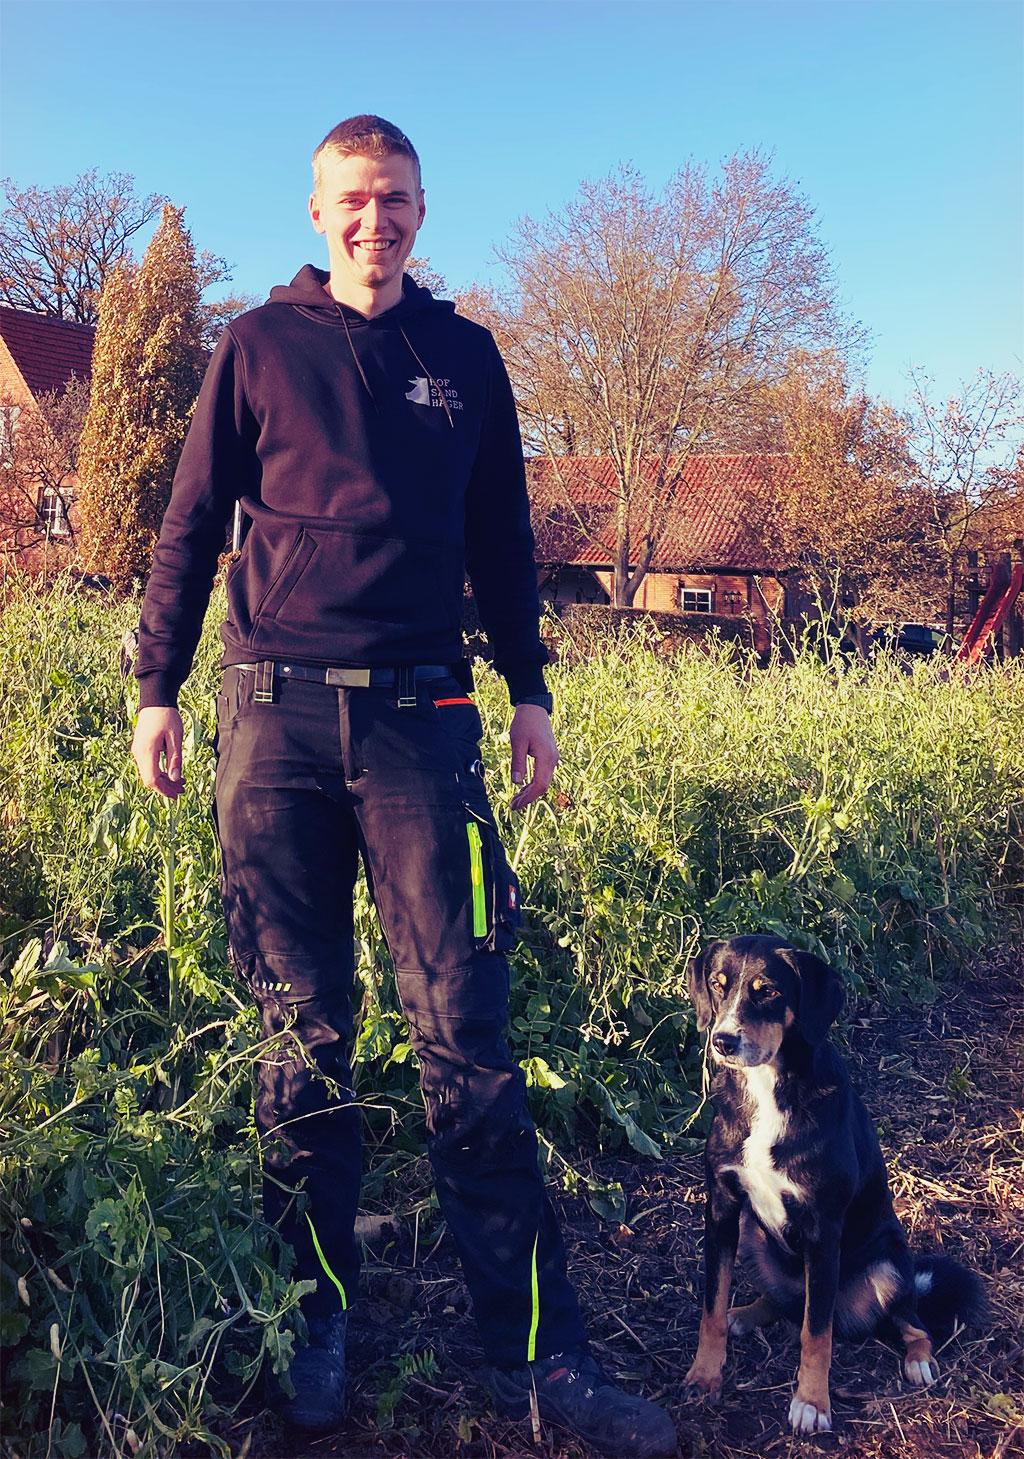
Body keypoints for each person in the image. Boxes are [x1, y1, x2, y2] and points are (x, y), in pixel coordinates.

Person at [130, 115, 676, 1458]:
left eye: (401, 201)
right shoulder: (256, 347)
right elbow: (193, 522)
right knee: (299, 1039)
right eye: (356, 200)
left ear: (423, 213)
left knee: (468, 1041)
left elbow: (501, 538)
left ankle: (538, 1357)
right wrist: (157, 686)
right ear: (317, 214)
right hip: (274, 726)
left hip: (429, 723)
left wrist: (531, 687)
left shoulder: (467, 358)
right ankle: (305, 1328)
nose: (379, 220)